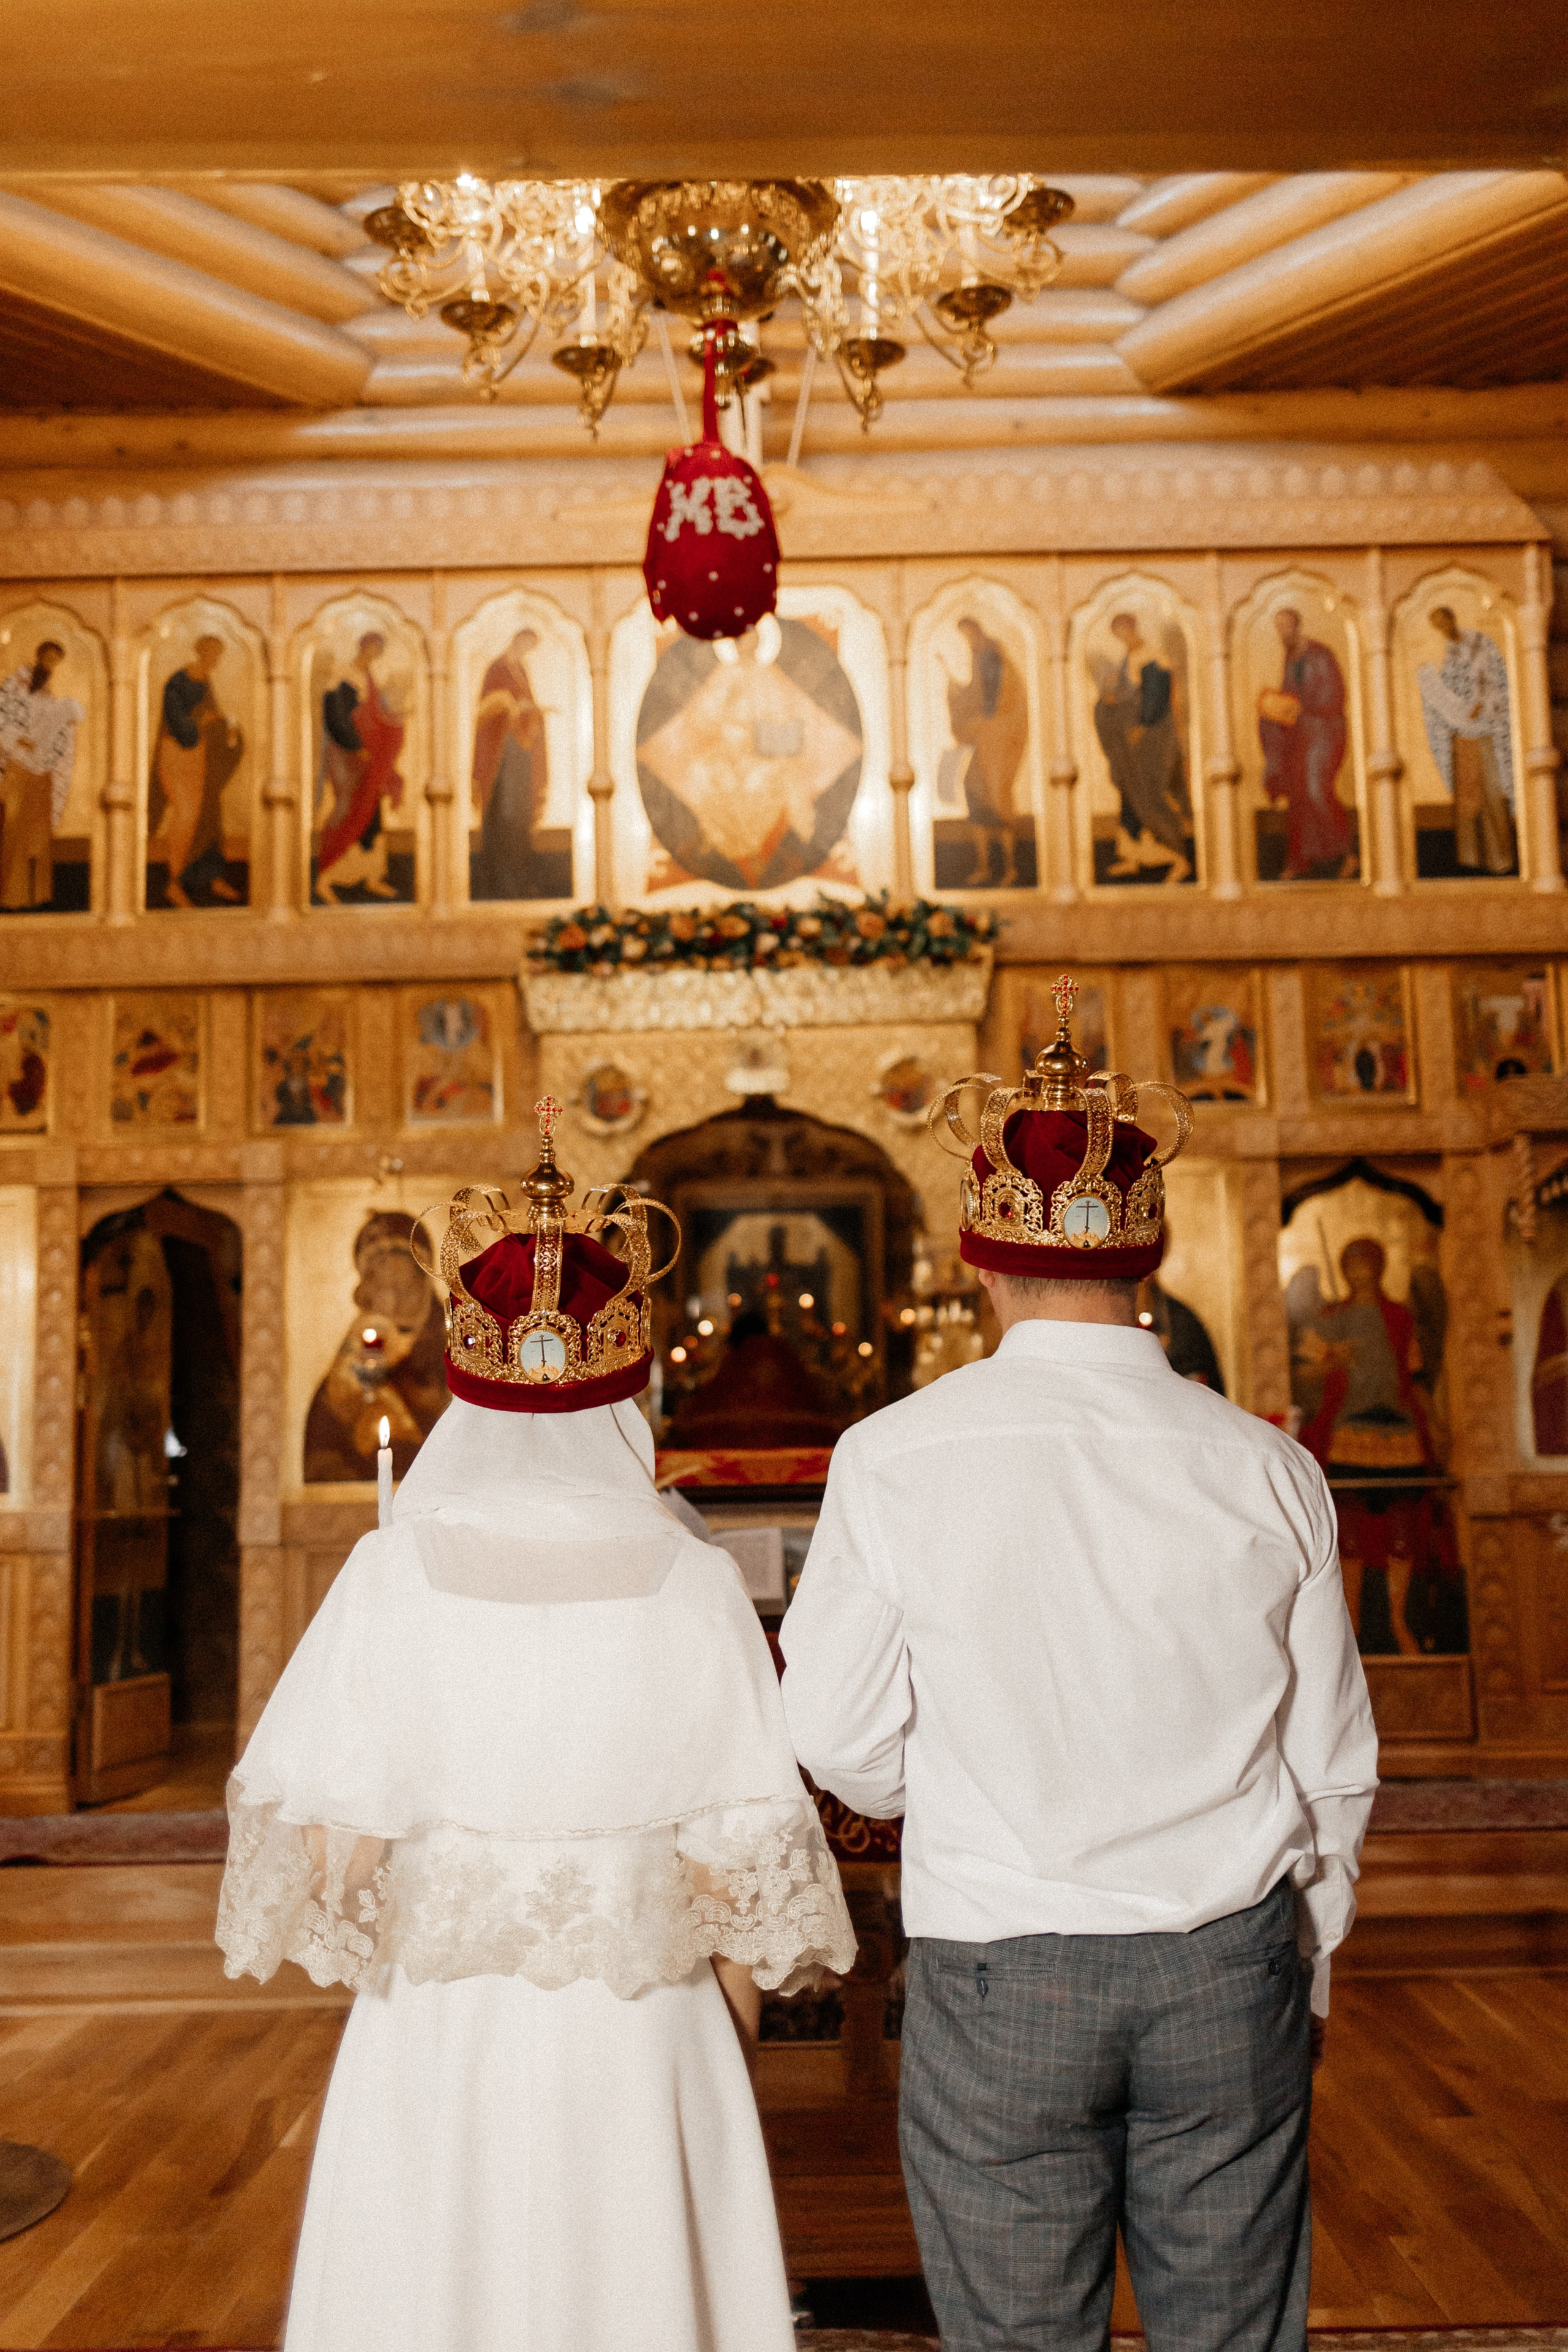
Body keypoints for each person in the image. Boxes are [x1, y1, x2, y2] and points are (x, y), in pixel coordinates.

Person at [780, 977, 1377, 2352]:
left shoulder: (894, 1454)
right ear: (1148, 1259)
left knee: (1013, 2335)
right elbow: (1328, 1759)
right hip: (1224, 1960)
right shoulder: (1264, 1462)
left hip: (1000, 1960)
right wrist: (1309, 1942)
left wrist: (953, 1796)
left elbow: (831, 1727)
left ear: (977, 1260)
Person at [217, 1099, 855, 2352]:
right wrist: (718, 2070)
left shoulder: (392, 1577)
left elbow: (330, 1853)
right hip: (640, 2033)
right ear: (630, 1400)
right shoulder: (693, 1582)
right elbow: (738, 1876)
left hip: (443, 2033)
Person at [1091, 611, 1193, 883]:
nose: (1122, 636)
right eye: (1117, 633)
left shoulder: (1152, 655)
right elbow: (1128, 695)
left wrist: (1142, 726)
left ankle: (1178, 858)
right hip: (1132, 739)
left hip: (1153, 737)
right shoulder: (1128, 659)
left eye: (1124, 630)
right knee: (1130, 794)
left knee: (1149, 795)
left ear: (1132, 628)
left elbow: (1155, 698)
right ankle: (1133, 855)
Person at [1259, 606, 1359, 881]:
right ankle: (1299, 860)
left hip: (1327, 732)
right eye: (1278, 627)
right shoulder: (1290, 658)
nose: (1282, 633)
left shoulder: (1320, 654)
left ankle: (1348, 855)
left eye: (1286, 626)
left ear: (1297, 626)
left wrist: (1298, 707)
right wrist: (1276, 706)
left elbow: (1334, 697)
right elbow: (1290, 696)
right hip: (1302, 734)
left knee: (1317, 789)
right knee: (1297, 794)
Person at [1417, 605, 1517, 875]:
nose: (1443, 629)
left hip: (1486, 730)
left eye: (1444, 622)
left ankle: (1500, 857)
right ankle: (1472, 859)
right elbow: (1449, 688)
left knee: (1491, 792)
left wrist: (1481, 705)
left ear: (1453, 618)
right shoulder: (1450, 651)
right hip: (1461, 733)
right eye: (1437, 626)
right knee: (1468, 793)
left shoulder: (1481, 644)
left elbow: (1497, 683)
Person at [148, 635, 245, 907]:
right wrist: (205, 720)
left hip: (200, 754)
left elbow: (211, 716)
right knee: (187, 815)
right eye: (212, 653)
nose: (215, 659)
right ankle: (174, 883)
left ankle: (212, 876)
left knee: (209, 812)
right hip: (176, 754)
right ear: (201, 651)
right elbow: (179, 724)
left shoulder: (206, 681)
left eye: (219, 654)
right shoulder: (178, 681)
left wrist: (228, 728)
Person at [470, 625, 565, 899]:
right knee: (504, 813)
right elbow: (486, 709)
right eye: (525, 645)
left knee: (521, 814)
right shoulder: (497, 669)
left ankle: (521, 880)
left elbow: (525, 706)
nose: (526, 651)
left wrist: (533, 712)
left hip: (521, 751)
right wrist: (509, 705)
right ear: (515, 641)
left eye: (530, 648)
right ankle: (501, 882)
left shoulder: (521, 671)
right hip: (502, 752)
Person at [315, 631, 405, 902]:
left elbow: (374, 716)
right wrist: (357, 747)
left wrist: (395, 719)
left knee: (372, 808)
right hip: (346, 753)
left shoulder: (369, 679)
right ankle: (326, 877)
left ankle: (371, 876)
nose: (374, 655)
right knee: (348, 808)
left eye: (379, 652)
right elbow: (336, 718)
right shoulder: (344, 674)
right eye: (372, 649)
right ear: (363, 647)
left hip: (367, 756)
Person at [947, 616, 1030, 887]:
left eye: (969, 635)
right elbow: (977, 696)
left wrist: (985, 717)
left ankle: (1011, 868)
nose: (968, 641)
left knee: (998, 799)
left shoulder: (992, 657)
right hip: (985, 740)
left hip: (997, 739)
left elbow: (996, 698)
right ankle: (984, 867)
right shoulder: (980, 657)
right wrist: (957, 692)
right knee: (974, 793)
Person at [0, 639, 82, 910]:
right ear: (39, 656)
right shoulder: (14, 685)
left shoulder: (49, 693)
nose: (50, 664)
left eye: (55, 661)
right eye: (48, 658)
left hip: (41, 769)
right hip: (18, 767)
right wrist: (20, 741)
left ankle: (36, 896)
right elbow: (4, 720)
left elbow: (54, 729)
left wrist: (62, 729)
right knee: (14, 830)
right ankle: (11, 896)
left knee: (38, 832)